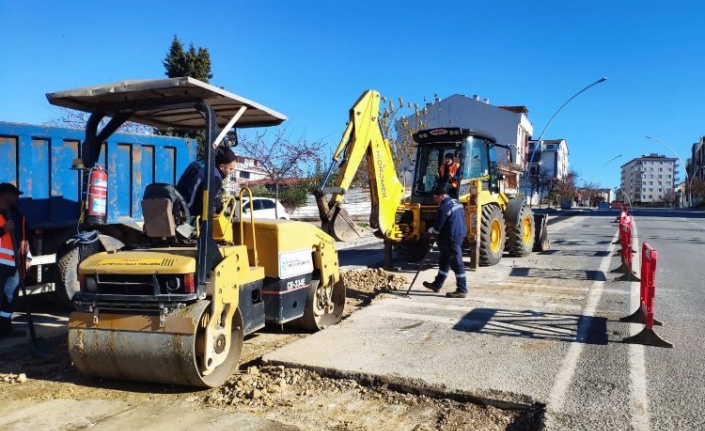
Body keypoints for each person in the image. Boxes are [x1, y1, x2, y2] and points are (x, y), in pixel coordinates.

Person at [422, 185, 467, 298]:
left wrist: (432, 232)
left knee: (457, 263)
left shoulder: (444, 207)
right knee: (444, 261)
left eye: (436, 198)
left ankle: (462, 290)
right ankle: (437, 284)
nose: (435, 201)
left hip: (451, 238)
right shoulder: (457, 202)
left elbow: (438, 227)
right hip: (459, 233)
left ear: (442, 196)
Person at [0, 183, 32, 337]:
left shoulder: (16, 214)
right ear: (5, 195)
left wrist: (27, 256)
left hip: (14, 263)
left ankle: (5, 329)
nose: (17, 197)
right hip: (0, 264)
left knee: (10, 297)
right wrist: (3, 230)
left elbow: (23, 236)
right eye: (15, 194)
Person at [176, 145, 237, 218]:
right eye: (231, 169)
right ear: (221, 166)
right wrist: (221, 205)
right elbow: (207, 204)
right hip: (190, 215)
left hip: (177, 205)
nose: (232, 171)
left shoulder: (197, 164)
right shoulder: (214, 177)